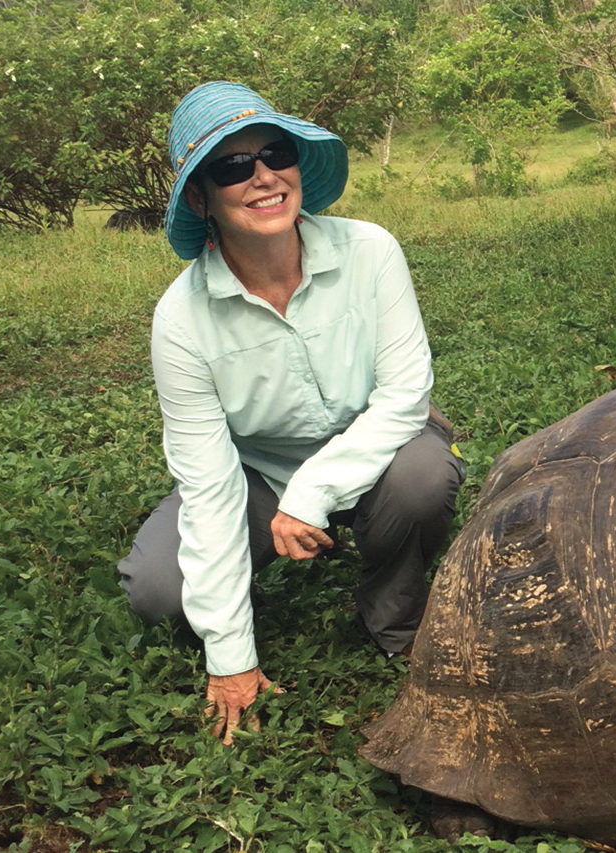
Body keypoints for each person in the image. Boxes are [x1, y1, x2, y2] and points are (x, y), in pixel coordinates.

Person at [118, 81, 464, 744]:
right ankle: (260, 579)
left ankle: (392, 614)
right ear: (201, 198)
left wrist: (314, 490)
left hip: (379, 447)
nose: (263, 177)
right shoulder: (181, 319)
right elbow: (211, 483)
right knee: (158, 589)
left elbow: (401, 397)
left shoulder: (370, 251)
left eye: (275, 153)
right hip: (259, 474)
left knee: (424, 474)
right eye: (232, 167)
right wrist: (232, 656)